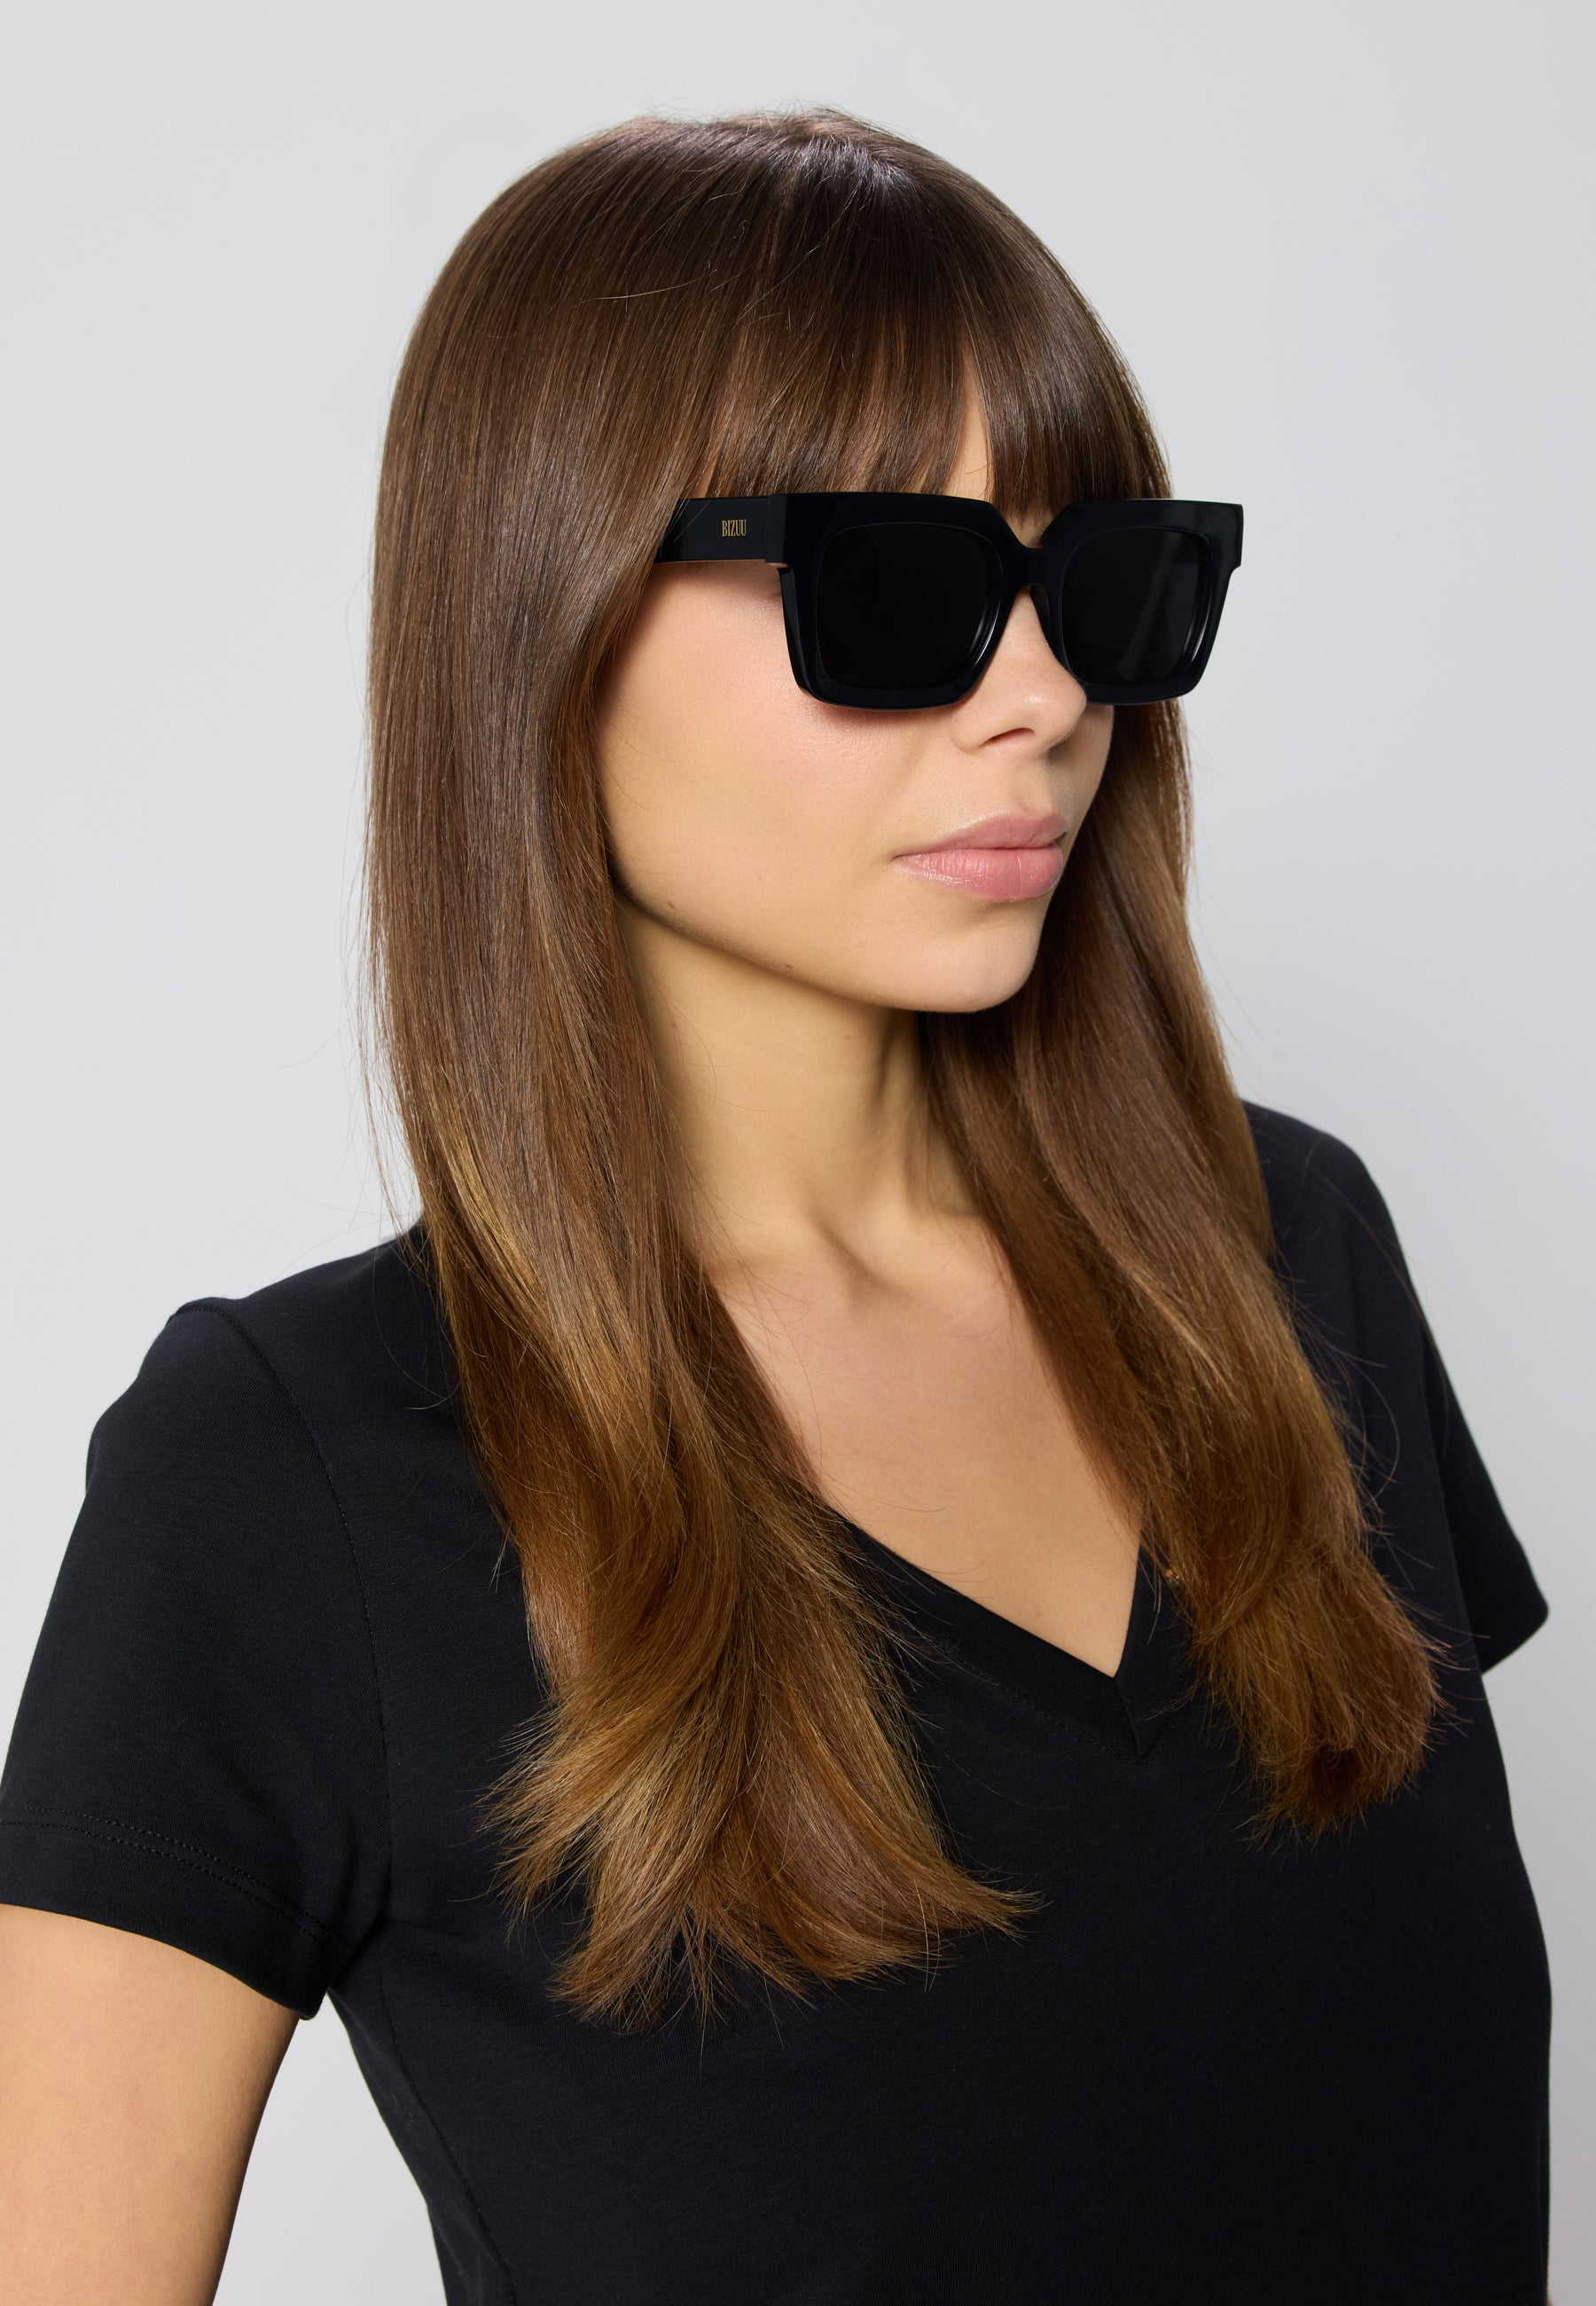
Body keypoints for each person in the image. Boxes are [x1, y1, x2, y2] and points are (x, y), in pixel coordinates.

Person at [0, 108, 1552, 2306]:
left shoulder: (1289, 1265)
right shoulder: (290, 1477)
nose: (1043, 697)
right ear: (552, 616)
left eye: (1099, 583)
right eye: (896, 587)